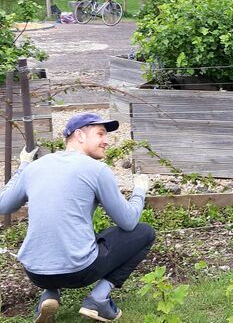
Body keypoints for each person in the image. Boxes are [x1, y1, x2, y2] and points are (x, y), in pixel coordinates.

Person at [0, 113, 154, 322]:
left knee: (59, 235)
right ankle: (98, 299)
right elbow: (128, 222)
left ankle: (49, 295)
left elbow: (3, 205)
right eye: (100, 133)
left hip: (35, 272)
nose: (106, 141)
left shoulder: (35, 167)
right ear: (80, 135)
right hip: (78, 272)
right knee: (144, 232)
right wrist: (139, 191)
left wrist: (23, 166)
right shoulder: (96, 170)